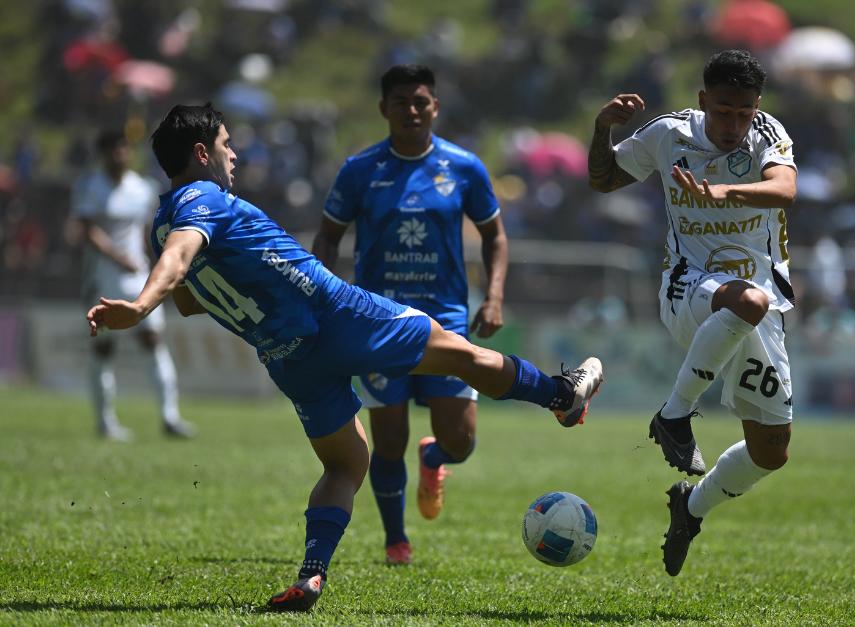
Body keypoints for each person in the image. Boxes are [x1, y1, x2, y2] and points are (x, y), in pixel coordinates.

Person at [86, 103, 603, 612]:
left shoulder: (160, 219)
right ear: (201, 153)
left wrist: (254, 264)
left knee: (346, 463)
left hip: (287, 357)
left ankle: (311, 576)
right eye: (226, 145)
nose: (234, 155)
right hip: (335, 315)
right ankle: (561, 395)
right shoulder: (202, 197)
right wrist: (138, 306)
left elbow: (189, 297)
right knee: (460, 353)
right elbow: (178, 263)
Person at [588, 49, 797, 576]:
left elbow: (785, 190)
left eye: (743, 112)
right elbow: (604, 178)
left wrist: (727, 191)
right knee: (745, 298)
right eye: (723, 110)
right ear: (703, 101)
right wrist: (601, 129)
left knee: (772, 453)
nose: (733, 123)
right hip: (688, 286)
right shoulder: (668, 134)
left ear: (757, 107)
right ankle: (674, 415)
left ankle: (690, 507)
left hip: (759, 306)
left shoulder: (768, 132)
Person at [311, 64, 508, 566]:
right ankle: (396, 540)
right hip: (380, 319)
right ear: (384, 109)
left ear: (435, 107)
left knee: (460, 441)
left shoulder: (464, 167)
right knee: (388, 440)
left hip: (447, 316)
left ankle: (435, 458)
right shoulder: (360, 169)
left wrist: (494, 296)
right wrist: (319, 298)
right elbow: (329, 236)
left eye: (421, 101)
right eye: (401, 102)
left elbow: (494, 237)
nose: (412, 110)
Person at [72, 129, 194, 441]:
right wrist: (116, 257)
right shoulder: (91, 186)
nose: (120, 153)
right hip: (103, 275)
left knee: (153, 339)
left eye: (124, 148)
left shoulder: (141, 188)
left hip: (137, 274)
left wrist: (155, 264)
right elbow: (87, 230)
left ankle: (170, 416)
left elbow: (145, 230)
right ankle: (105, 421)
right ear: (104, 153)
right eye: (114, 148)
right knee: (104, 346)